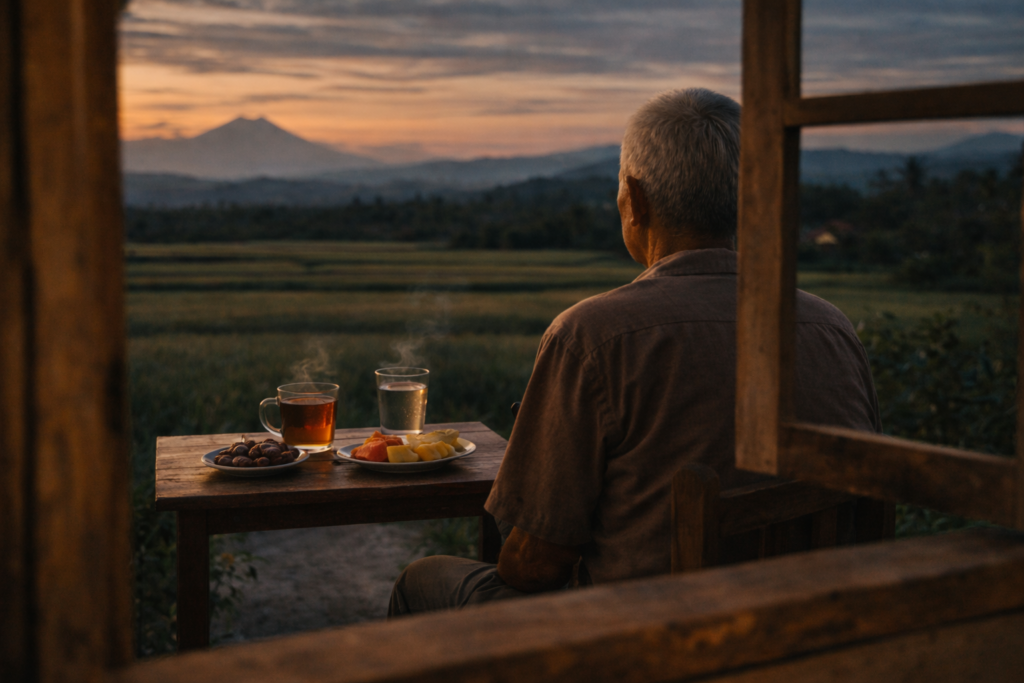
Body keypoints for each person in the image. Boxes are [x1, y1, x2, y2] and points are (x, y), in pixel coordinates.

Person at [388, 88, 879, 616]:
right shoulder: (832, 328)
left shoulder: (591, 337)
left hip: (643, 642)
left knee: (423, 581)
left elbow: (533, 567)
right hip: (808, 632)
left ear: (634, 200)